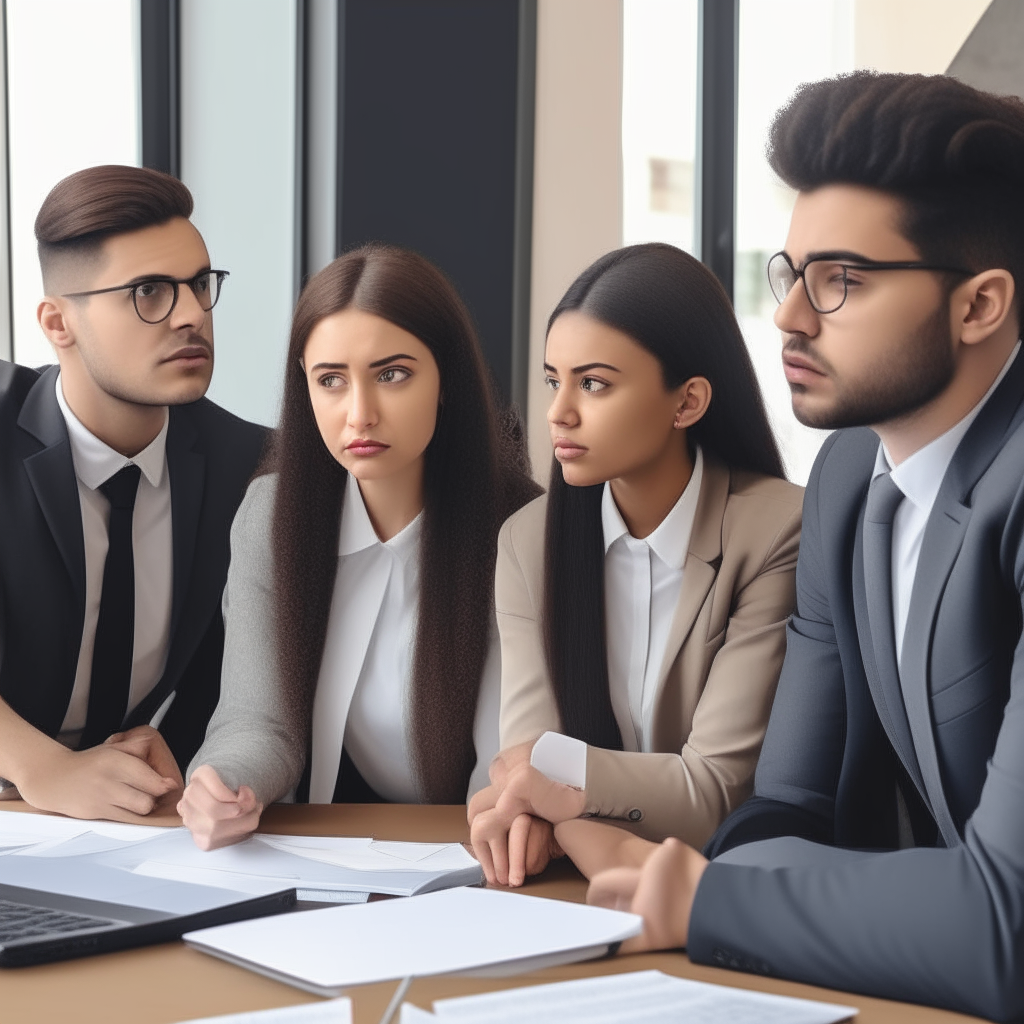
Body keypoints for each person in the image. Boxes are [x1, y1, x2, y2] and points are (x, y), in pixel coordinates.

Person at [582, 71, 1024, 1022]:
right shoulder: (845, 474)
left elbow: (1007, 924)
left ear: (980, 306)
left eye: (843, 282)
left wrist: (710, 897)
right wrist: (744, 883)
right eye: (792, 274)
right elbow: (790, 806)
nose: (786, 318)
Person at [177, 243, 540, 849]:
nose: (359, 414)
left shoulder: (521, 528)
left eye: (392, 375)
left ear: (444, 381)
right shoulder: (270, 517)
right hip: (335, 850)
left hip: (465, 854)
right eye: (331, 381)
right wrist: (223, 784)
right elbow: (257, 720)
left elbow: (501, 761)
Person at [468, 243, 803, 887]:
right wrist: (534, 807)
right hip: (569, 894)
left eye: (593, 383)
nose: (558, 412)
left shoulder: (776, 531)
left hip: (724, 890)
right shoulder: (527, 542)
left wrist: (559, 790)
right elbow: (523, 766)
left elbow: (716, 792)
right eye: (552, 379)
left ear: (688, 402)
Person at [0, 165, 267, 821]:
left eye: (200, 285)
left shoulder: (252, 466)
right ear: (57, 323)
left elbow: (238, 671)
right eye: (149, 291)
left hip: (128, 827)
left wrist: (181, 757)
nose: (191, 316)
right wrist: (43, 770)